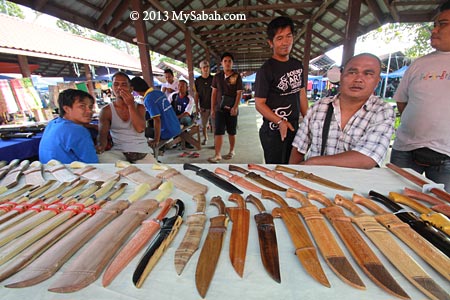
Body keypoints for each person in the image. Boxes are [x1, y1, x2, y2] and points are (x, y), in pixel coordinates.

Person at [289, 53, 395, 169]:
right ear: (341, 75)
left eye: (368, 74)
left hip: (357, 184)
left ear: (377, 81)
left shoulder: (382, 111)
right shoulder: (319, 107)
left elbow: (366, 159)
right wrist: (292, 173)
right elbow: (298, 148)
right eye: (352, 72)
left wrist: (312, 162)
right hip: (315, 179)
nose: (358, 79)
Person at [390, 1, 450, 191]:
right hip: (405, 149)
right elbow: (402, 100)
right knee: (393, 200)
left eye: (443, 24)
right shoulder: (419, 64)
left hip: (445, 155)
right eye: (435, 25)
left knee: (440, 212)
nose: (434, 30)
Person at [254, 16, 308, 164]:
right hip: (273, 131)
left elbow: (301, 93)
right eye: (279, 38)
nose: (285, 42)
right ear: (270, 43)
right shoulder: (266, 70)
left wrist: (308, 120)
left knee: (296, 168)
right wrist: (279, 121)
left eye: (288, 36)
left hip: (295, 128)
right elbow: (259, 103)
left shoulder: (297, 65)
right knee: (277, 169)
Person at [96, 72, 156, 163]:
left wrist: (130, 105)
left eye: (123, 84)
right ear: (112, 88)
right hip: (118, 152)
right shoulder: (106, 111)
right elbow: (102, 135)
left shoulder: (139, 107)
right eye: (116, 84)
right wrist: (101, 147)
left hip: (141, 152)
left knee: (154, 173)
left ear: (131, 88)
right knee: (101, 160)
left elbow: (140, 129)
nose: (119, 88)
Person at [39, 89, 98, 164]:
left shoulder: (53, 123)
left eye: (90, 107)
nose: (89, 111)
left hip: (48, 170)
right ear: (67, 109)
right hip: (70, 173)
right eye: (82, 106)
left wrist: (91, 126)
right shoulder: (78, 131)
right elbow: (92, 163)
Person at [209, 52, 243, 163]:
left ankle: (232, 150)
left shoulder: (236, 76)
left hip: (232, 109)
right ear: (221, 63)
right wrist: (213, 109)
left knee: (231, 131)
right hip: (219, 108)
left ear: (232, 63)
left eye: (229, 61)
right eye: (225, 61)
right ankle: (217, 154)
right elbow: (214, 93)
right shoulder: (217, 77)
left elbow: (239, 93)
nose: (227, 63)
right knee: (218, 131)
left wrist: (235, 107)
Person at [130, 77, 181, 149]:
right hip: (176, 127)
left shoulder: (148, 99)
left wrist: (156, 140)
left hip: (167, 132)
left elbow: (157, 120)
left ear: (135, 89)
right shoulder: (158, 92)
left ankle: (148, 150)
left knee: (140, 130)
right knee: (150, 121)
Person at [194, 60, 213, 145]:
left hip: (213, 106)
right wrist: (197, 107)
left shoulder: (213, 79)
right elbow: (196, 94)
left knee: (215, 125)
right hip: (203, 107)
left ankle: (216, 142)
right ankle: (205, 138)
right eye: (204, 67)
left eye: (207, 67)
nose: (206, 69)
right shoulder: (197, 81)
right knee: (204, 124)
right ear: (200, 69)